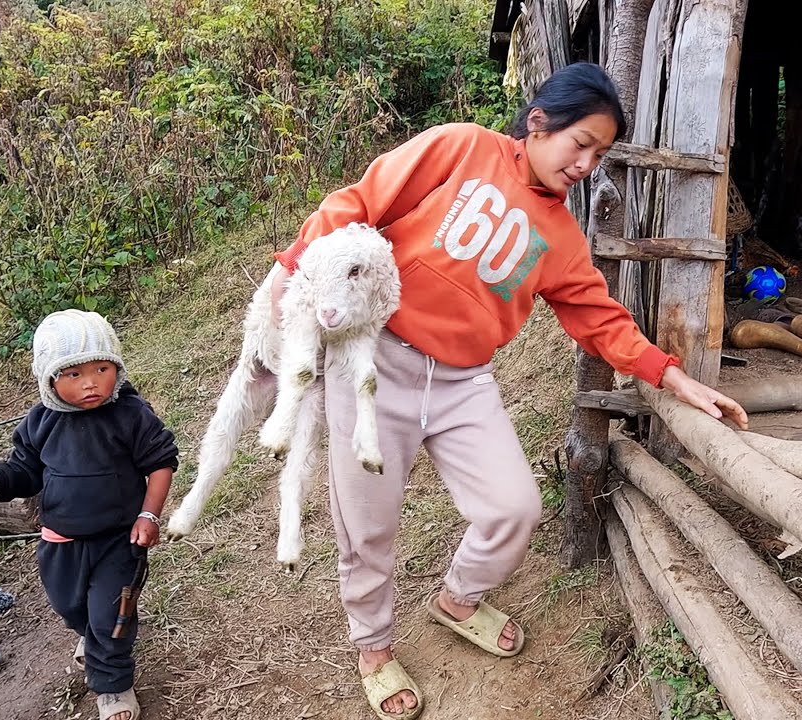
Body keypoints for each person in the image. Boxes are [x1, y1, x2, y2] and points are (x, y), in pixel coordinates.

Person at [268, 62, 748, 720]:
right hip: (375, 364)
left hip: (464, 381)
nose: (586, 163)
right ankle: (373, 649)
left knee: (514, 508)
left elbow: (600, 319)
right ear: (539, 122)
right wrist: (291, 272)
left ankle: (458, 599)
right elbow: (360, 203)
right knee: (368, 525)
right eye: (580, 143)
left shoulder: (560, 238)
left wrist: (672, 375)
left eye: (600, 154)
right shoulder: (460, 146)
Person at [0, 309, 179, 720]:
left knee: (112, 614)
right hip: (60, 542)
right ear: (49, 379)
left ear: (117, 365)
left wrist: (148, 516)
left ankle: (113, 688)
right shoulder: (41, 422)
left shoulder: (130, 415)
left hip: (119, 541)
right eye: (73, 374)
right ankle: (91, 639)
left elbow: (161, 463)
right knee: (71, 607)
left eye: (101, 368)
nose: (91, 382)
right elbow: (24, 470)